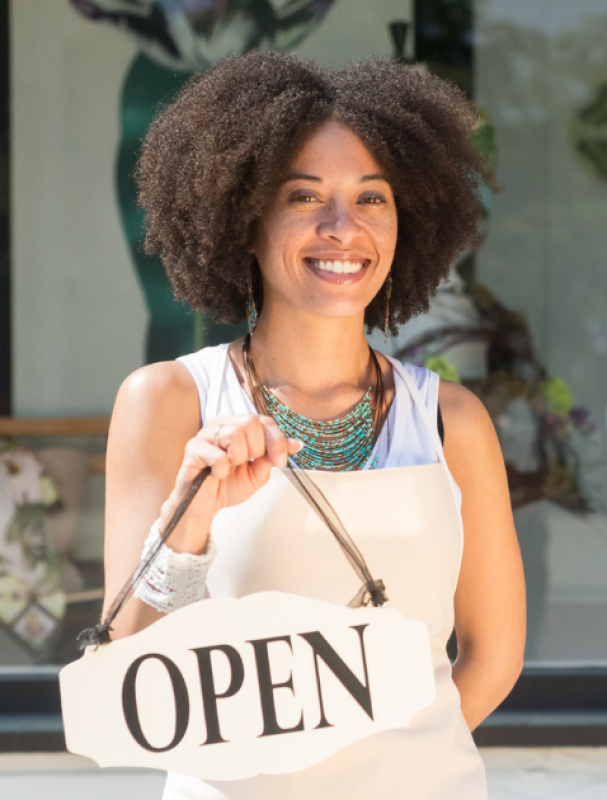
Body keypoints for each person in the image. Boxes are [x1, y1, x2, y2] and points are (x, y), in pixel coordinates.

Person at [101, 52, 525, 798]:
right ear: (244, 215)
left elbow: (493, 655)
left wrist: (383, 764)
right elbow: (129, 665)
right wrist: (190, 520)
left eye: (373, 198)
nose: (342, 228)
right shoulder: (169, 402)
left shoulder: (451, 420)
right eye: (303, 197)